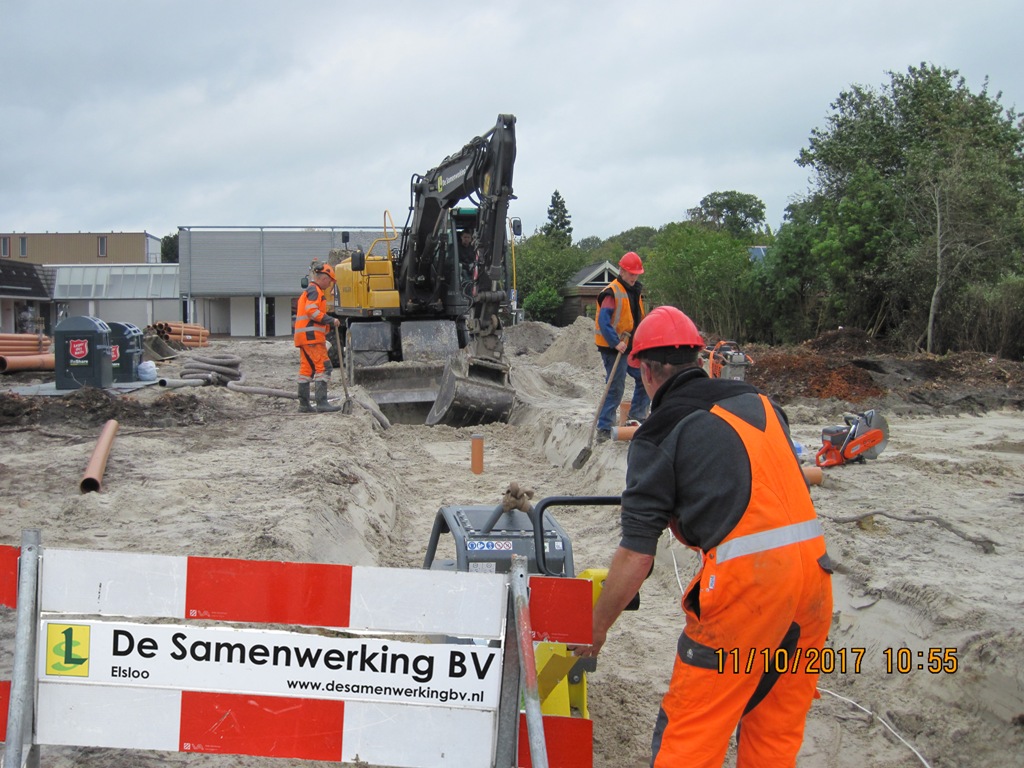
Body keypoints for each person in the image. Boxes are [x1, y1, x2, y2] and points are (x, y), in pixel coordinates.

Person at [575, 305, 834, 767]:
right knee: (775, 731)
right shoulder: (762, 402)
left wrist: (596, 628)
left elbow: (637, 558)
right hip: (815, 584)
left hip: (749, 594)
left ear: (648, 372)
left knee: (691, 736)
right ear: (699, 358)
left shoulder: (658, 434)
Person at [593, 251, 649, 441]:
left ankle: (636, 417)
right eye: (632, 274)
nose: (634, 277)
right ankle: (604, 427)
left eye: (637, 274)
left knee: (645, 378)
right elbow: (603, 320)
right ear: (623, 271)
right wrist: (615, 343)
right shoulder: (612, 292)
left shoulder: (634, 292)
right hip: (613, 349)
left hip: (631, 346)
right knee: (616, 386)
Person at [294, 263, 342, 413]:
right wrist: (330, 320)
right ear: (324, 278)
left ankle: (304, 405)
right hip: (312, 337)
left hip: (303, 337)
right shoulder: (315, 291)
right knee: (324, 367)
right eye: (330, 281)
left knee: (306, 370)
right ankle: (321, 402)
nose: (329, 285)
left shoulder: (308, 291)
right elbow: (312, 312)